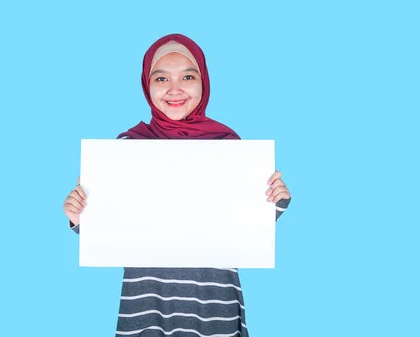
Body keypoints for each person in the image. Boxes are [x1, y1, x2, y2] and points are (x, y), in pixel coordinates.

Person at [63, 33, 291, 337]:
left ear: (204, 81)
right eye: (160, 78)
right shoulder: (126, 150)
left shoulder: (231, 148)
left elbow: (241, 227)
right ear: (147, 85)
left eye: (187, 76)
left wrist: (274, 202)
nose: (174, 89)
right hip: (147, 304)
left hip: (214, 303)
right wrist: (81, 219)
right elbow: (115, 229)